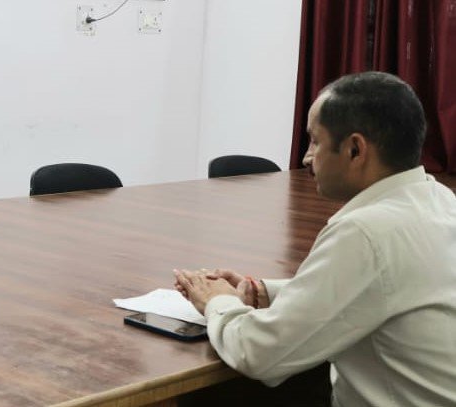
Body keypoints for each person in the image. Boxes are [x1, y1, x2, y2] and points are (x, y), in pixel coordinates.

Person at [174, 71, 456, 405]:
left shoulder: (365, 233)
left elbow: (258, 354)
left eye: (315, 141)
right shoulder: (439, 200)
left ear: (355, 149)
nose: (306, 157)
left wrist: (217, 301)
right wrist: (265, 292)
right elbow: (377, 290)